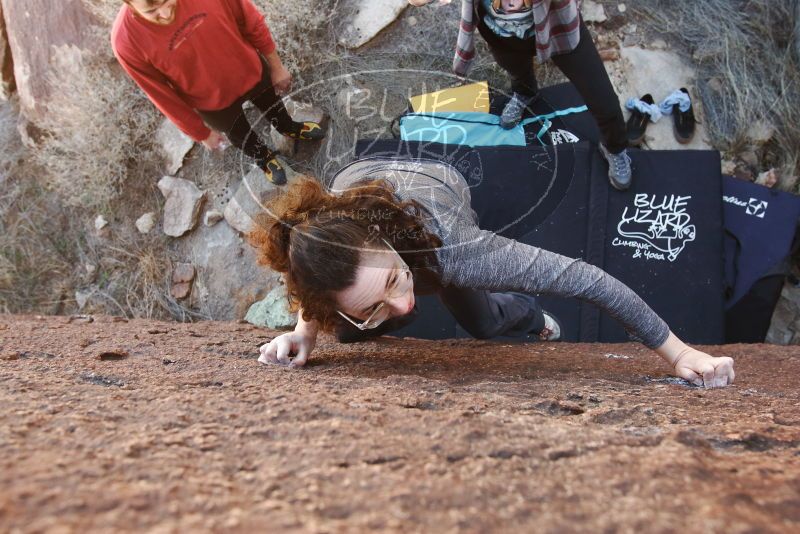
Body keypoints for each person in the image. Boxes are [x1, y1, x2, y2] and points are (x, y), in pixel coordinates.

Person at [252, 157, 735, 389]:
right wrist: (305, 332)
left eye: (396, 282)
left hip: (443, 182)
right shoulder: (316, 242)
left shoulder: (461, 251)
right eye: (370, 305)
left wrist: (677, 352)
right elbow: (310, 284)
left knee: (481, 322)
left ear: (389, 244)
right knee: (354, 338)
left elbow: (587, 279)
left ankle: (531, 318)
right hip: (362, 174)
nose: (403, 307)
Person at [408, 0, 633, 191]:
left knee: (606, 104)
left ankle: (615, 148)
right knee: (517, 73)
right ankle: (525, 94)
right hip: (500, 33)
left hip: (558, 28)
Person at [111, 0, 326, 185]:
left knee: (274, 107)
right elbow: (161, 95)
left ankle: (289, 128)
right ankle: (264, 158)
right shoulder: (126, 42)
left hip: (249, 69)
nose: (166, 14)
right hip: (211, 102)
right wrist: (200, 133)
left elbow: (251, 21)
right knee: (240, 135)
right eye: (151, 11)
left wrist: (277, 66)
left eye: (168, 1)